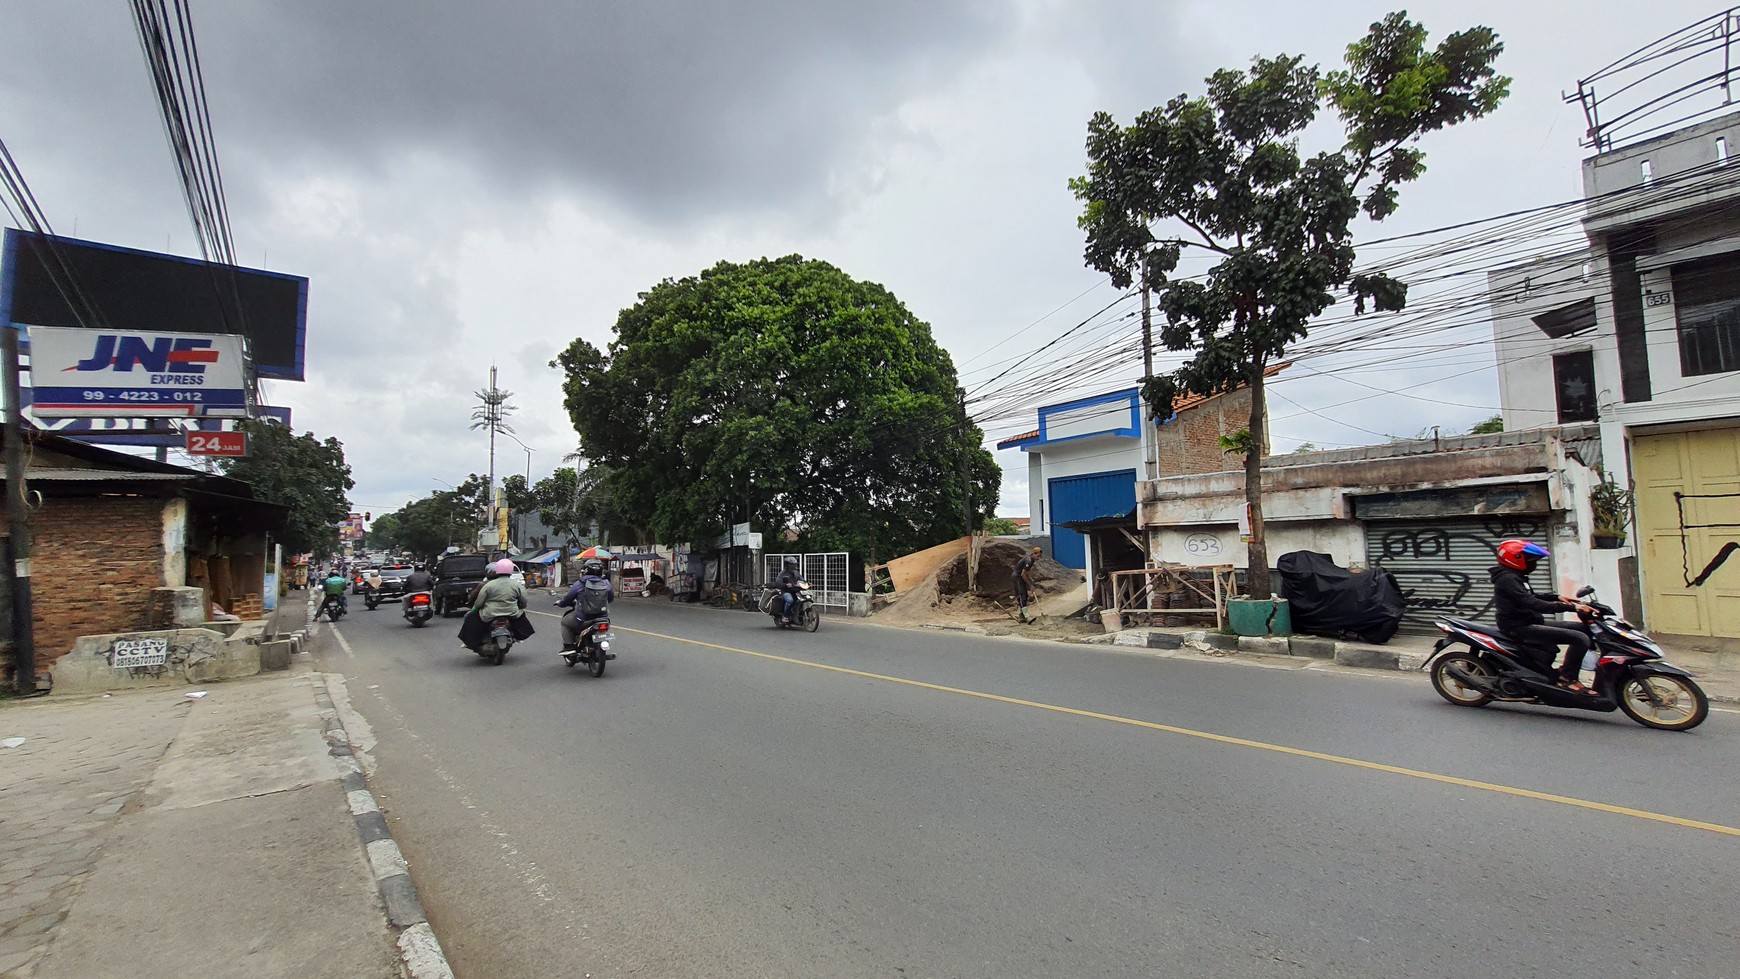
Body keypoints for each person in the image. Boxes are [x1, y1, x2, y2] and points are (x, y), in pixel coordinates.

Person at [1490, 539, 1596, 694]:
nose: (1533, 563)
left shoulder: (1515, 576)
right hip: (1518, 627)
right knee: (1580, 638)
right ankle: (1567, 679)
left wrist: (1557, 597)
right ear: (1515, 559)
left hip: (1529, 621)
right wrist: (1572, 607)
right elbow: (1532, 603)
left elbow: (1530, 596)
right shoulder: (1507, 579)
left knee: (1583, 629)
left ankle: (1566, 670)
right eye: (1530, 560)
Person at [458, 559, 535, 650]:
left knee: (471, 619)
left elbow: (479, 602)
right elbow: (524, 600)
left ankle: (469, 642)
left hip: (489, 614)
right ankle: (517, 637)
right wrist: (521, 607)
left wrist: (475, 609)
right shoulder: (516, 585)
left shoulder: (488, 585)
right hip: (512, 613)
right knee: (522, 619)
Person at [555, 559, 615, 650]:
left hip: (583, 617)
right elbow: (610, 598)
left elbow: (568, 599)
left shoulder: (579, 583)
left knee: (565, 623)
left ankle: (569, 647)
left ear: (586, 570)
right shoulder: (606, 583)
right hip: (602, 617)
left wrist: (561, 603)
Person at [1012, 545, 1042, 623]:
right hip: (1017, 578)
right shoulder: (1029, 560)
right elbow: (1023, 574)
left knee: (1024, 596)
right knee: (1022, 596)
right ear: (1034, 554)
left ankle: (1021, 616)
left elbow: (1026, 573)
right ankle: (1026, 616)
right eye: (1038, 556)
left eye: (1040, 556)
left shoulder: (1031, 560)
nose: (1038, 558)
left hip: (1020, 577)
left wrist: (1031, 582)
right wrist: (1030, 585)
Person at [775, 556, 803, 623]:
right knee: (790, 600)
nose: (793, 566)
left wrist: (807, 583)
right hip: (786, 592)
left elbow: (802, 580)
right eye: (791, 565)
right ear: (787, 565)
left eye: (794, 565)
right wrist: (786, 585)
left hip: (796, 592)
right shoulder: (782, 573)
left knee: (803, 599)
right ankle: (785, 615)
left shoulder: (796, 573)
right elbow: (778, 583)